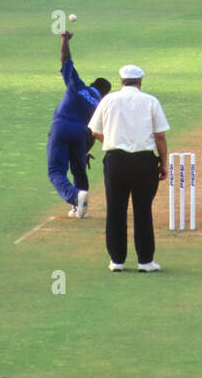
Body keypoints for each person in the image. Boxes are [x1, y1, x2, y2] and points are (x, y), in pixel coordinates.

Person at [88, 63, 171, 273]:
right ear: (140, 82)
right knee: (143, 210)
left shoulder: (108, 100)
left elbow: (94, 131)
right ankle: (145, 261)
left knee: (115, 209)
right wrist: (163, 162)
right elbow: (160, 135)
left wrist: (111, 142)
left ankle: (116, 260)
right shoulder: (150, 101)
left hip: (116, 160)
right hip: (144, 161)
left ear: (121, 81)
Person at [48, 31, 111, 218]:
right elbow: (94, 132)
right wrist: (84, 151)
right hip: (81, 134)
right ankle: (80, 209)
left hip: (61, 126)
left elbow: (65, 60)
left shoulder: (78, 86)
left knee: (55, 171)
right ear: (105, 94)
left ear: (92, 84)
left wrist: (65, 40)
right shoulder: (101, 105)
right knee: (79, 168)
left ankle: (76, 197)